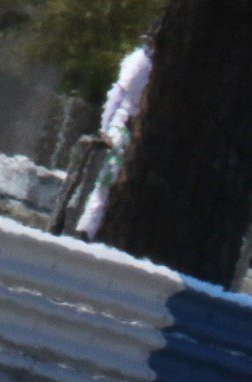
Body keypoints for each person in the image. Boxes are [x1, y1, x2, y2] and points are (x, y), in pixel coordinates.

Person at [76, 32, 154, 240]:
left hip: (137, 128)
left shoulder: (153, 65)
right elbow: (117, 94)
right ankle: (88, 229)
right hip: (123, 126)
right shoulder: (140, 61)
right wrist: (105, 126)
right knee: (107, 181)